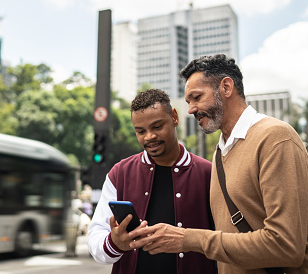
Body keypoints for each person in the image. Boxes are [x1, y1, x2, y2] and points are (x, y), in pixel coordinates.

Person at [129, 54, 308, 273]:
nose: (191, 109)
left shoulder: (275, 138)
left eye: (196, 97)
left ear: (226, 87)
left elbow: (285, 246)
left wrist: (189, 239)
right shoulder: (221, 152)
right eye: (188, 102)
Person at [88, 89, 216, 274]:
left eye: (157, 127)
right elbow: (96, 238)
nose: (149, 136)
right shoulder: (120, 173)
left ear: (174, 117)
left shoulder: (209, 174)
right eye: (140, 131)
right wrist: (115, 243)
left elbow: (224, 240)